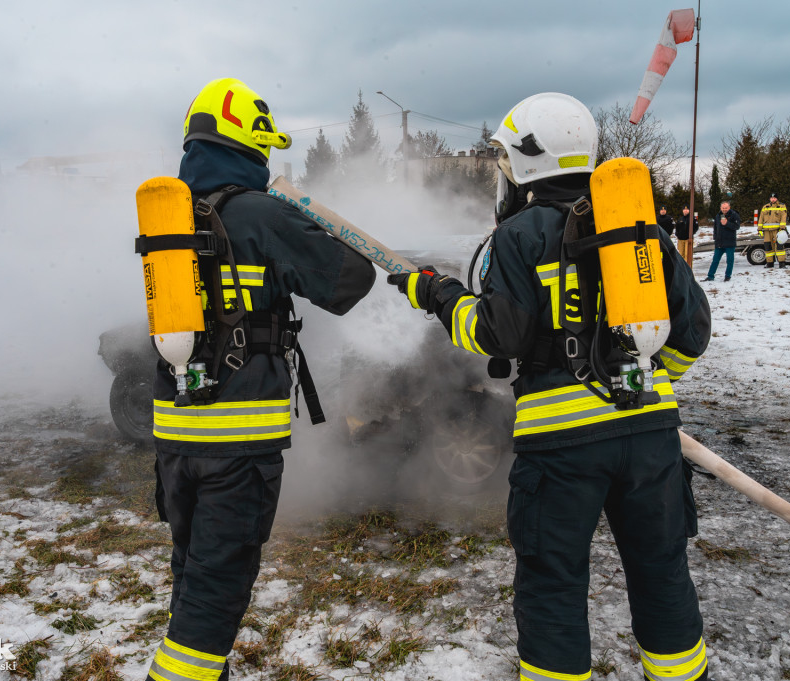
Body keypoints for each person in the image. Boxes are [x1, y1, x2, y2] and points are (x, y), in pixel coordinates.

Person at [388, 92, 711, 681]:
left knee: (554, 580)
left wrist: (437, 295)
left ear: (526, 164)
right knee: (661, 571)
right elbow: (693, 333)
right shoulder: (642, 234)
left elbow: (496, 335)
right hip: (650, 436)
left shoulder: (520, 235)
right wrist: (643, 386)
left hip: (561, 448)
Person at [145, 77, 375, 681]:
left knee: (192, 573)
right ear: (249, 145)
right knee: (215, 598)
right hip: (238, 445)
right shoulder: (258, 213)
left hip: (175, 439)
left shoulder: (173, 219)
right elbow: (350, 281)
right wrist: (304, 219)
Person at [705, 200, 741, 281]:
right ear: (720, 208)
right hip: (719, 243)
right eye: (723, 208)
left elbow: (737, 226)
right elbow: (715, 228)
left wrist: (727, 223)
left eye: (726, 208)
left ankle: (727, 276)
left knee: (730, 261)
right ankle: (710, 276)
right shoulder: (718, 215)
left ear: (729, 207)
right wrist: (715, 237)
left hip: (730, 242)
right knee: (715, 260)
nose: (724, 209)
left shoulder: (734, 215)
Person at [758, 192, 788, 268]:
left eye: (774, 198)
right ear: (769, 199)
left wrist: (782, 228)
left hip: (778, 230)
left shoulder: (781, 206)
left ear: (777, 198)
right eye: (771, 198)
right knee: (768, 247)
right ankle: (769, 263)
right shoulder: (765, 207)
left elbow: (784, 217)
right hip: (767, 231)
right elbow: (761, 218)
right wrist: (759, 230)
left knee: (779, 247)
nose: (773, 199)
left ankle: (782, 263)